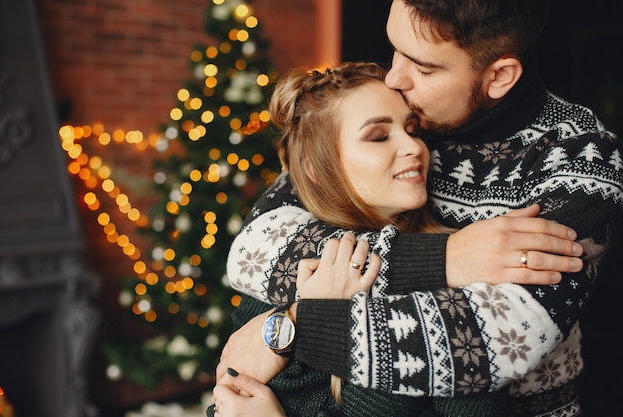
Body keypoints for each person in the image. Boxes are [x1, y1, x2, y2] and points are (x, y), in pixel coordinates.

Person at [216, 0, 623, 416]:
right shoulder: (396, 107)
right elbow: (256, 249)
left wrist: (296, 327)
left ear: (498, 76)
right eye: (394, 48)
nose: (394, 76)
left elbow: (496, 340)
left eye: (424, 68)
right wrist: (446, 258)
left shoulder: (577, 154)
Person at [209, 61, 534, 417]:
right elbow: (227, 401)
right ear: (316, 170)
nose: (413, 147)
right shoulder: (286, 275)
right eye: (379, 136)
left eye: (413, 129)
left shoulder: (461, 288)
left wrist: (321, 320)